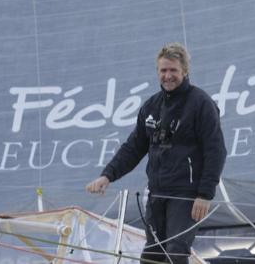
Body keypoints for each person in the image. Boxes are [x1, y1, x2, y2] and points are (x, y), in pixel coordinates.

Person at [86, 42, 226, 264]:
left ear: (185, 71)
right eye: (163, 70)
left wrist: (205, 194)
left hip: (186, 195)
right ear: (157, 72)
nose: (168, 76)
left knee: (176, 251)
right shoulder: (151, 106)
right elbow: (134, 147)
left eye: (173, 70)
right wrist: (107, 175)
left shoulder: (201, 104)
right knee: (152, 255)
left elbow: (216, 151)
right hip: (157, 193)